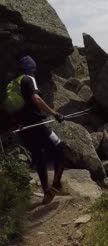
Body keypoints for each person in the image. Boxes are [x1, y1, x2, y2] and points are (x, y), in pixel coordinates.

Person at [5, 56, 66, 204]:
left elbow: (10, 108)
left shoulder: (13, 84)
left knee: (39, 158)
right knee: (60, 149)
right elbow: (36, 99)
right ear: (31, 68)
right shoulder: (28, 79)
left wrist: (16, 124)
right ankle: (56, 184)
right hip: (37, 125)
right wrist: (54, 113)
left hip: (25, 129)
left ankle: (46, 192)